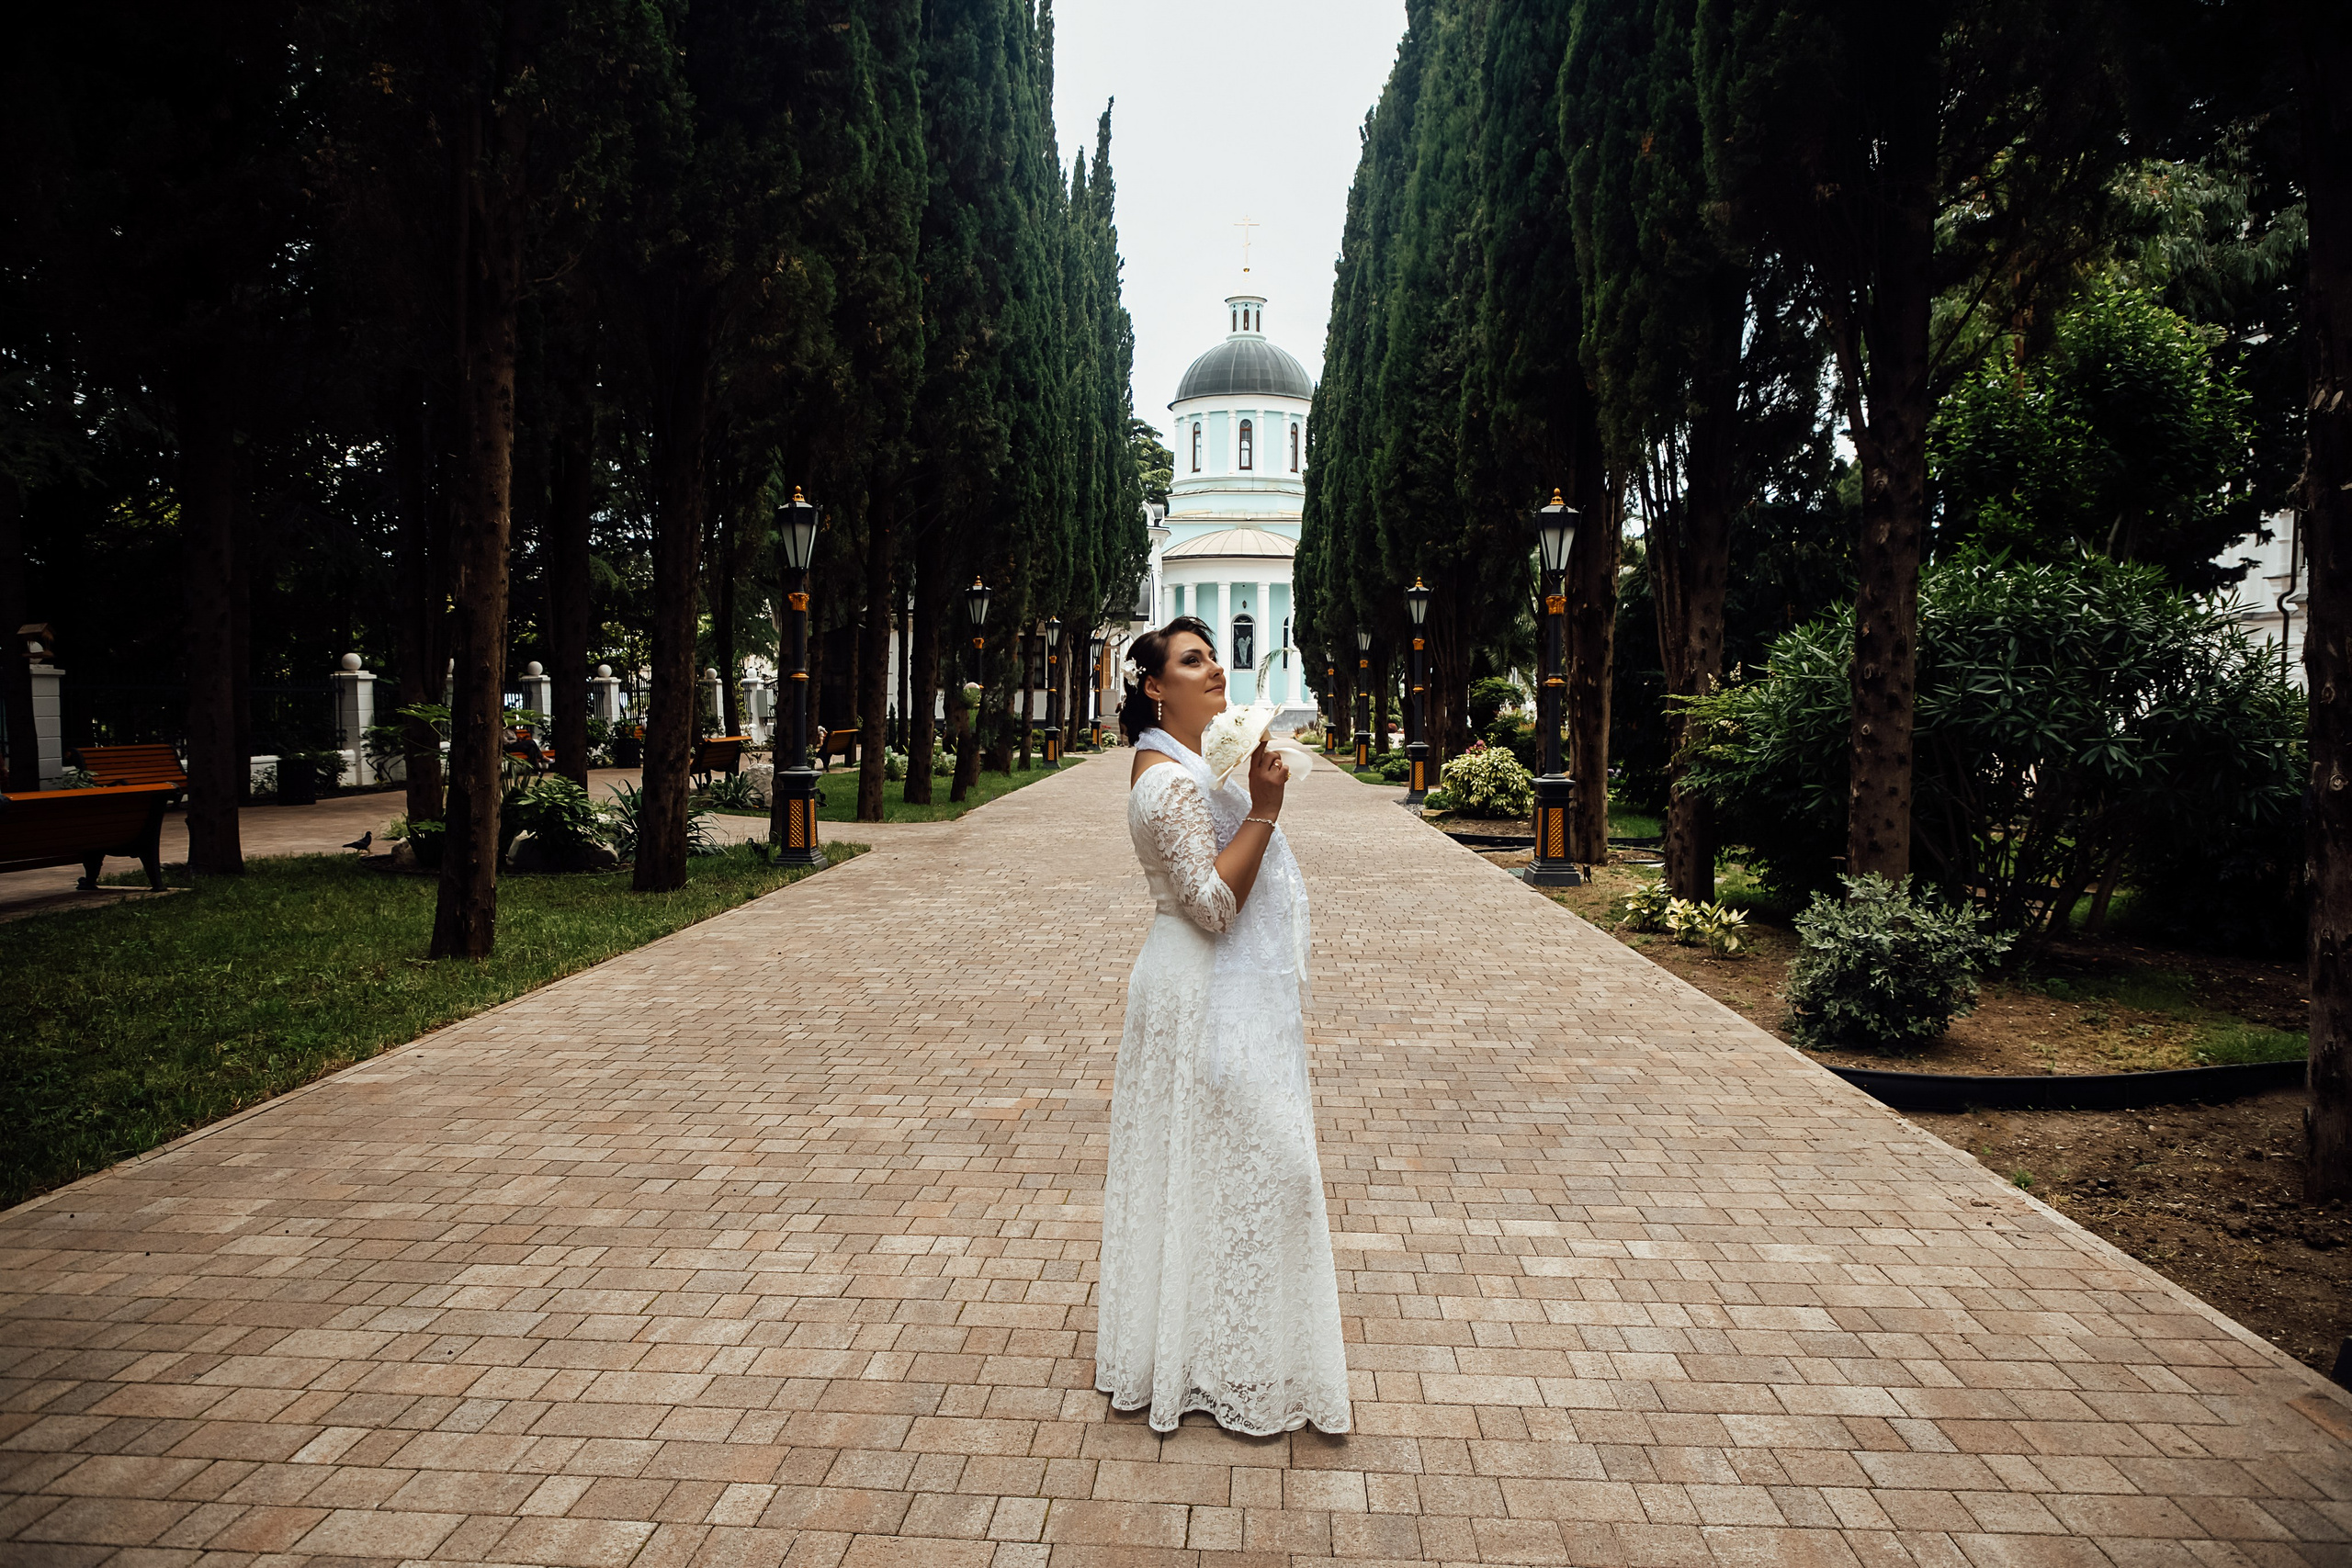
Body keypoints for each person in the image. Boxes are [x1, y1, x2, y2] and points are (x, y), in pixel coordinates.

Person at [1097, 615, 1351, 1436]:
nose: (1216, 672)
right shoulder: (1164, 783)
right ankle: (1200, 1354)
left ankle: (1214, 1351)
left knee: (1220, 1164)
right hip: (1198, 988)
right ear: (1153, 686)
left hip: (1218, 989)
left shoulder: (1192, 764)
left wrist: (1245, 779)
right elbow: (1211, 905)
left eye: (1215, 657)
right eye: (1193, 660)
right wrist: (1266, 808)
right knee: (1277, 1162)